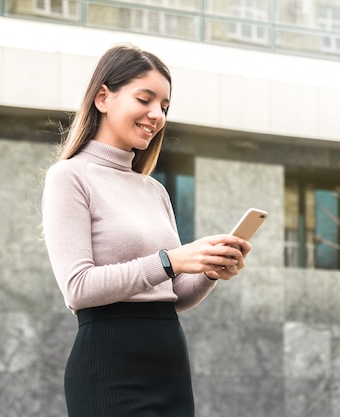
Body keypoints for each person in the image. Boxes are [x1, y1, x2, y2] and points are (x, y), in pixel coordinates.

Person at [41, 44, 252, 417]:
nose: (157, 115)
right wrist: (171, 260)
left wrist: (207, 270)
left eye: (165, 106)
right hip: (108, 366)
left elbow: (175, 295)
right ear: (103, 97)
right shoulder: (69, 177)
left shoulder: (154, 189)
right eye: (145, 99)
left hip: (169, 365)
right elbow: (78, 288)